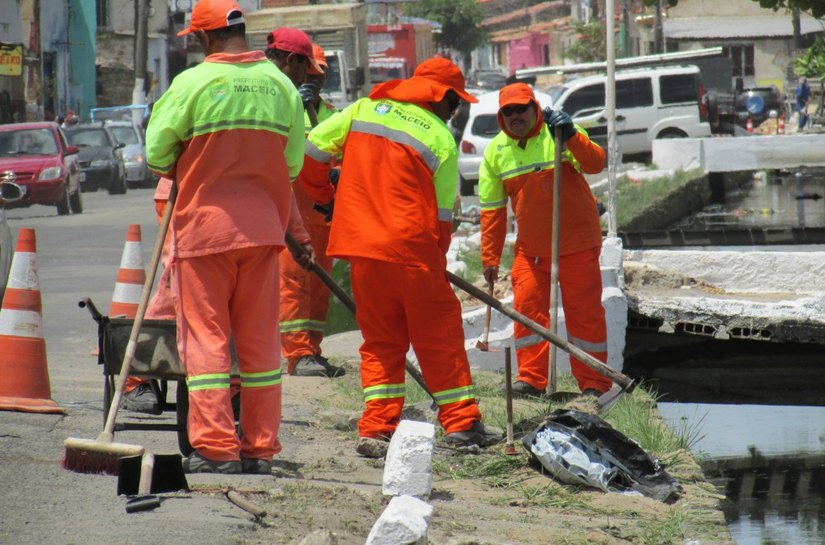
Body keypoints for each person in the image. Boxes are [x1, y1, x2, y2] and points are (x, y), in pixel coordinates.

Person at [305, 57, 504, 458]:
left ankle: (377, 428)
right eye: (456, 102)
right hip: (412, 251)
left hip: (362, 250)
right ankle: (462, 425)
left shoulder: (363, 109)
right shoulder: (440, 138)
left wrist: (323, 198)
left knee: (381, 341)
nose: (457, 110)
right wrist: (436, 260)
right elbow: (442, 217)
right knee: (439, 339)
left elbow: (312, 149)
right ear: (442, 97)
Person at [145, 0, 305, 475]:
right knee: (258, 346)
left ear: (203, 38)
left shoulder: (192, 83)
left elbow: (157, 154)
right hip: (262, 232)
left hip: (204, 232)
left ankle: (217, 449)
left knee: (207, 343)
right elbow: (292, 165)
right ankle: (259, 449)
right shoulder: (281, 86)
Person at [478, 83, 613, 399]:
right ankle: (532, 379)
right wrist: (490, 259)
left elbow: (595, 163)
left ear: (534, 108)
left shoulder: (559, 131)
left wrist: (572, 137)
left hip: (577, 241)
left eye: (521, 109)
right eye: (507, 112)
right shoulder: (495, 152)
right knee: (526, 310)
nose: (515, 116)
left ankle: (594, 383)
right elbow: (492, 211)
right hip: (531, 249)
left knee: (585, 315)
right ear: (501, 117)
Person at [273, 42, 345, 378]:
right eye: (310, 72)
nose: (314, 80)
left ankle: (312, 349)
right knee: (292, 282)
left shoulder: (331, 113)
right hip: (292, 210)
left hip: (322, 213)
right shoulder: (283, 107)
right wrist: (293, 108)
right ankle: (297, 353)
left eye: (320, 74)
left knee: (319, 285)